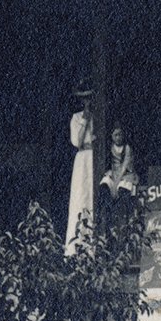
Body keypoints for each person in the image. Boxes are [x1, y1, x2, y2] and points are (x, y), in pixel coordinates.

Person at [64, 87, 96, 254]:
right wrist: (85, 117)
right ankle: (76, 245)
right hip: (83, 158)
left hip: (95, 158)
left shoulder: (99, 117)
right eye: (85, 99)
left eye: (90, 98)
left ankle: (94, 246)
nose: (88, 102)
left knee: (93, 197)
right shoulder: (76, 118)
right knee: (80, 197)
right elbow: (77, 141)